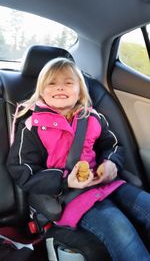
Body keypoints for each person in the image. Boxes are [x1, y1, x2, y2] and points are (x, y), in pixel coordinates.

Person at [7, 57, 150, 260]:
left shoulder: (92, 118)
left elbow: (113, 146)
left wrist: (110, 164)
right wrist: (65, 181)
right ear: (41, 90)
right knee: (119, 228)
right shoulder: (33, 126)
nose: (60, 88)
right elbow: (22, 170)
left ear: (80, 90)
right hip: (69, 197)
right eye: (52, 83)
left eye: (68, 82)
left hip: (107, 185)